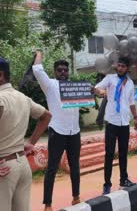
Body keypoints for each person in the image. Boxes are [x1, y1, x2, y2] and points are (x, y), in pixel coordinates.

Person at [0, 57, 52, 211]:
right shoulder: (22, 98)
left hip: (3, 168)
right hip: (22, 165)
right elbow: (46, 116)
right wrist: (31, 143)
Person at [32, 51, 82, 210]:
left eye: (65, 70)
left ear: (68, 72)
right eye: (59, 70)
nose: (62, 72)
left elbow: (92, 90)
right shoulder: (50, 85)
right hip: (57, 131)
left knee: (75, 166)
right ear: (54, 72)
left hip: (74, 132)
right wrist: (38, 54)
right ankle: (48, 204)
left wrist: (99, 91)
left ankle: (76, 197)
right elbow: (38, 70)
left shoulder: (74, 87)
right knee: (52, 168)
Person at [94, 57, 137, 195]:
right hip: (112, 122)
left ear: (127, 68)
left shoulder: (131, 83)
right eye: (119, 66)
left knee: (124, 153)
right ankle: (107, 184)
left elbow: (131, 102)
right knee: (109, 154)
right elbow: (97, 88)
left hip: (124, 123)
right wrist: (101, 92)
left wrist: (135, 117)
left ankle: (123, 180)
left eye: (123, 66)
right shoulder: (110, 78)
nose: (120, 68)